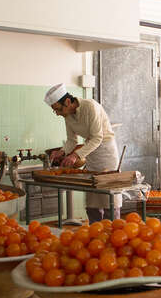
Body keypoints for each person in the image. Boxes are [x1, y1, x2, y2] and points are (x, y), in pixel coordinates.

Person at [44, 83, 121, 223]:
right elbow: (71, 141)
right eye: (55, 111)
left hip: (106, 152)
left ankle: (114, 231)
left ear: (67, 102)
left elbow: (98, 137)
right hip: (90, 152)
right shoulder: (67, 116)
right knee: (92, 200)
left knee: (109, 197)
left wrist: (75, 155)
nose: (57, 114)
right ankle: (95, 232)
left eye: (58, 109)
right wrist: (61, 152)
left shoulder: (90, 107)